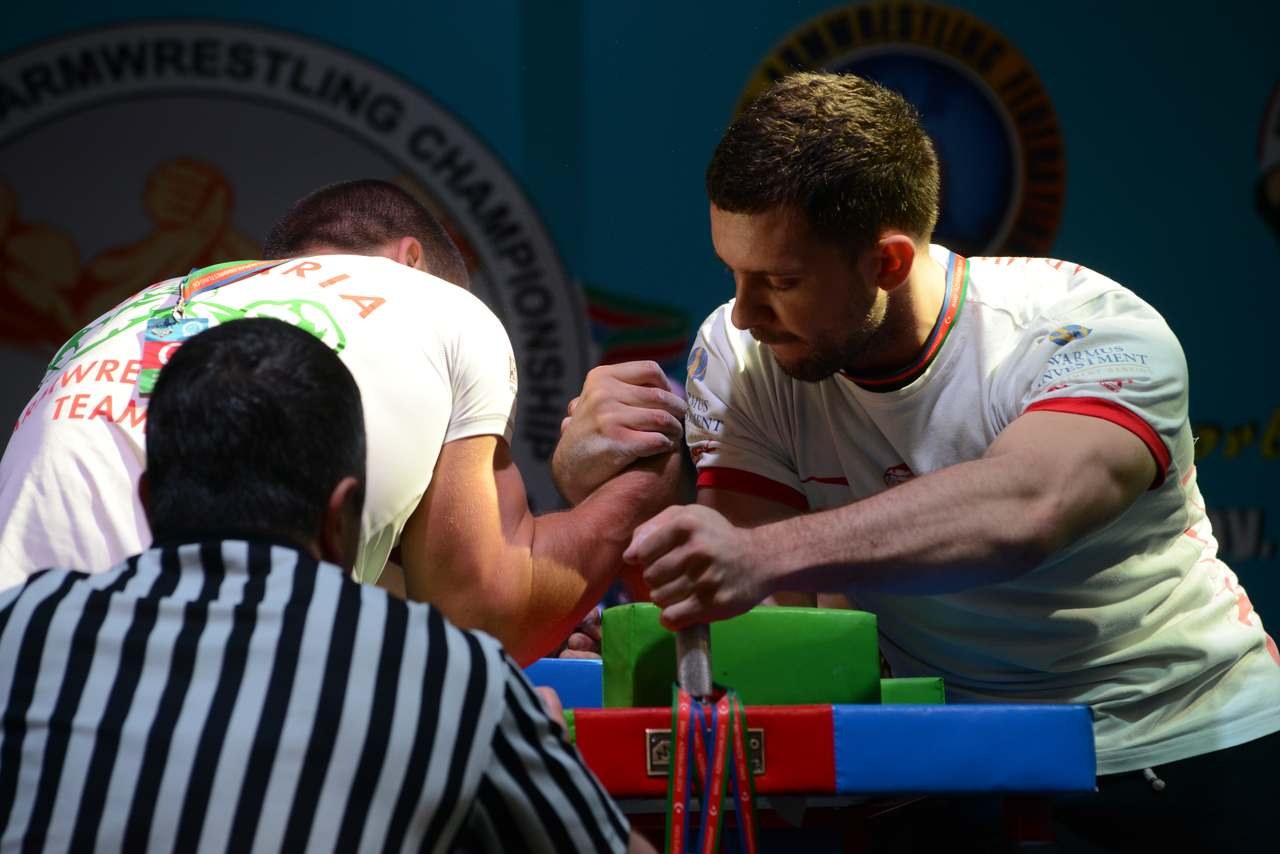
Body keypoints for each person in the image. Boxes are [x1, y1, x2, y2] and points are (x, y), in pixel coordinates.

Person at [555, 73, 1280, 850]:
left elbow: (1026, 505)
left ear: (890, 263)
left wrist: (760, 556)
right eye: (732, 272)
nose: (743, 311)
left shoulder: (1087, 329)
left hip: (1184, 744)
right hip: (945, 756)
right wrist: (604, 499)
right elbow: (762, 613)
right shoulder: (743, 351)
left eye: (781, 281)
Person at [0, 318, 654, 853]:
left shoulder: (19, 632)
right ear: (344, 517)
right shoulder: (442, 670)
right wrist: (531, 747)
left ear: (147, 499)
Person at [0, 179, 684, 663]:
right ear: (412, 259)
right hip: (178, 687)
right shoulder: (437, 306)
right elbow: (485, 613)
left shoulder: (137, 309)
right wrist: (648, 472)